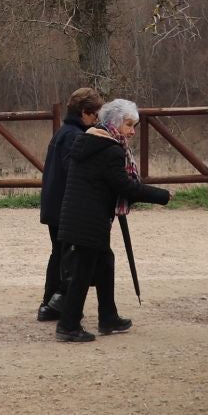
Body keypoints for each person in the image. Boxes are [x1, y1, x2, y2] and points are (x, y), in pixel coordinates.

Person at [55, 97, 170, 342]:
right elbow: (125, 186)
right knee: (83, 271)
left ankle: (108, 317)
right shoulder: (109, 150)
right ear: (116, 124)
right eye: (129, 125)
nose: (132, 131)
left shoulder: (90, 140)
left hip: (81, 216)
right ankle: (68, 325)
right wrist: (161, 195)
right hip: (88, 219)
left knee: (104, 263)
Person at [36, 87, 104, 321]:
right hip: (64, 207)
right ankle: (58, 303)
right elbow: (74, 172)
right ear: (85, 113)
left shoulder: (63, 132)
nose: (97, 119)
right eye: (95, 114)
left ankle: (50, 303)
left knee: (60, 253)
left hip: (53, 204)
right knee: (68, 256)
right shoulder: (74, 137)